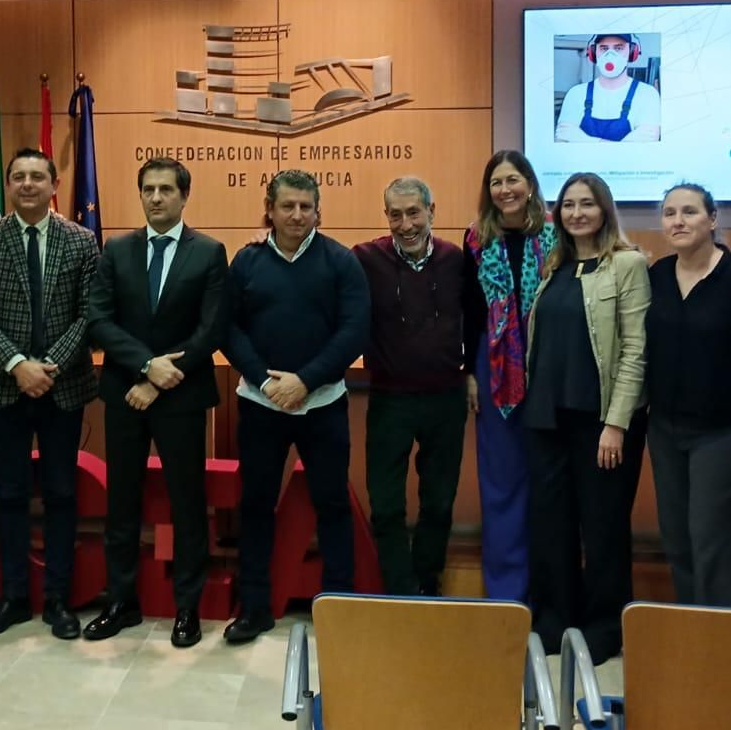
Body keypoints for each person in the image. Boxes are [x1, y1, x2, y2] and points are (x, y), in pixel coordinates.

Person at [84, 158, 228, 647]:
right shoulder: (117, 249)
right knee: (121, 501)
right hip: (126, 393)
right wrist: (148, 367)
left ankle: (186, 607)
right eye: (148, 189)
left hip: (182, 397)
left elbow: (211, 329)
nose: (157, 197)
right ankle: (121, 602)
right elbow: (100, 320)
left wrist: (165, 376)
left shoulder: (209, 252)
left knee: (188, 502)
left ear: (185, 196)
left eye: (167, 189)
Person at [222, 170, 370, 644]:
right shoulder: (246, 261)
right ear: (269, 208)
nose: (297, 215)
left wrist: (305, 381)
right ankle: (255, 608)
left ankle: (340, 608)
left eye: (306, 207)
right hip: (260, 403)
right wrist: (267, 382)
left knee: (332, 506)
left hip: (322, 402)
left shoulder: (341, 262)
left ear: (318, 211)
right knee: (256, 506)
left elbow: (354, 331)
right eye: (287, 206)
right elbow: (228, 328)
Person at [0, 149, 100, 640]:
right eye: (17, 177)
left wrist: (50, 367)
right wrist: (19, 366)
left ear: (54, 183)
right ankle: (13, 597)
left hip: (64, 388)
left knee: (63, 493)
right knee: (11, 493)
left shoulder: (82, 241)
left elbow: (90, 315)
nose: (26, 184)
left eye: (36, 176)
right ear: (8, 185)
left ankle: (59, 600)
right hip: (6, 387)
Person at [522, 172, 649, 663]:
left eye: (587, 204)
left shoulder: (628, 265)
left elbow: (636, 349)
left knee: (602, 527)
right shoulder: (554, 266)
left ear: (605, 210)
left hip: (602, 423)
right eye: (568, 204)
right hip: (548, 418)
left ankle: (603, 628)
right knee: (551, 525)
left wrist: (616, 422)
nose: (576, 213)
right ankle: (554, 622)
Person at [353, 176, 481, 597]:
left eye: (414, 213)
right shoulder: (365, 258)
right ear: (385, 216)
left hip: (446, 397)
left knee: (439, 502)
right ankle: (398, 589)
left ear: (432, 211)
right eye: (396, 214)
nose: (405, 224)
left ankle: (427, 583)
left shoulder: (456, 260)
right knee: (386, 505)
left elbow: (480, 319)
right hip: (390, 399)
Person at [645, 183, 731, 607]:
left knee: (715, 542)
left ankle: (724, 643)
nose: (678, 221)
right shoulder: (654, 276)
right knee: (677, 539)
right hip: (666, 430)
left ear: (712, 220)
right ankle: (691, 635)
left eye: (689, 212)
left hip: (727, 431)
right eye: (670, 213)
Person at [463, 150, 556, 603]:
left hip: (549, 367)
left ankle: (546, 595)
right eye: (497, 182)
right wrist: (469, 374)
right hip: (494, 369)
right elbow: (469, 311)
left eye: (513, 179)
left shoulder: (560, 236)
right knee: (500, 483)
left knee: (547, 483)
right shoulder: (475, 241)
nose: (505, 189)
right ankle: (505, 596)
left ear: (531, 183)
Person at [555, 33, 661, 143]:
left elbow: (644, 146)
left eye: (619, 48)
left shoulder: (647, 94)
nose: (610, 55)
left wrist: (582, 139)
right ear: (593, 53)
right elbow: (563, 138)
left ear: (632, 52)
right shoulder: (575, 94)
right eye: (604, 48)